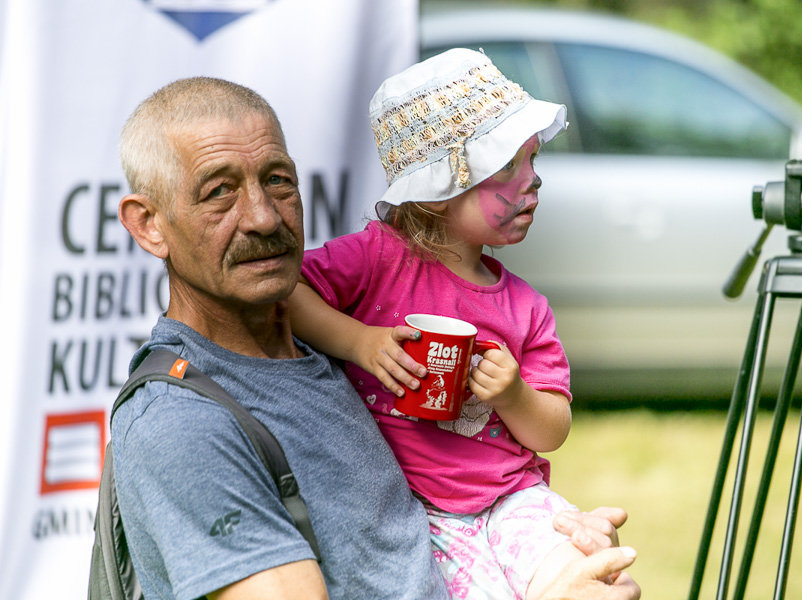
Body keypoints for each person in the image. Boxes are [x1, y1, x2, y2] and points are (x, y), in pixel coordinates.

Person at [114, 75, 640, 600]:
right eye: (219, 191)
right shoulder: (182, 423)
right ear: (148, 224)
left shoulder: (312, 348)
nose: (264, 217)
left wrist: (564, 570)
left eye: (278, 180)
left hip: (510, 507)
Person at [289, 48, 602, 600]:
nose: (532, 181)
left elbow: (551, 432)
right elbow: (285, 292)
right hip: (414, 514)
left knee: (576, 575)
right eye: (506, 167)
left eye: (532, 160)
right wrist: (359, 341)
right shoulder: (376, 260)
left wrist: (514, 396)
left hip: (514, 499)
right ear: (437, 194)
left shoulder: (526, 308)